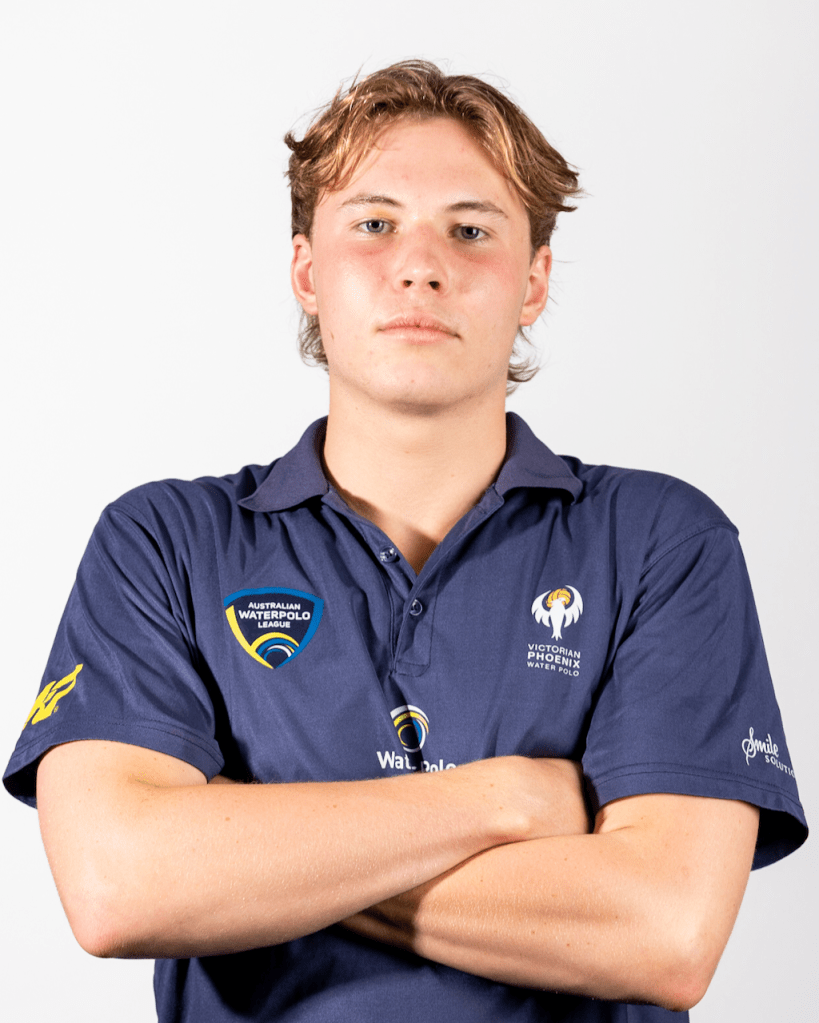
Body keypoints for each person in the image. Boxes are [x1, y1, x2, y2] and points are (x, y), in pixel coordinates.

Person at [3, 60, 807, 1022]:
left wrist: (244, 843)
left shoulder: (660, 541)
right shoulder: (163, 542)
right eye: (374, 224)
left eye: (470, 230)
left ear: (534, 281)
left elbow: (664, 932)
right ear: (307, 271)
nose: (420, 265)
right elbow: (118, 885)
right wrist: (505, 801)